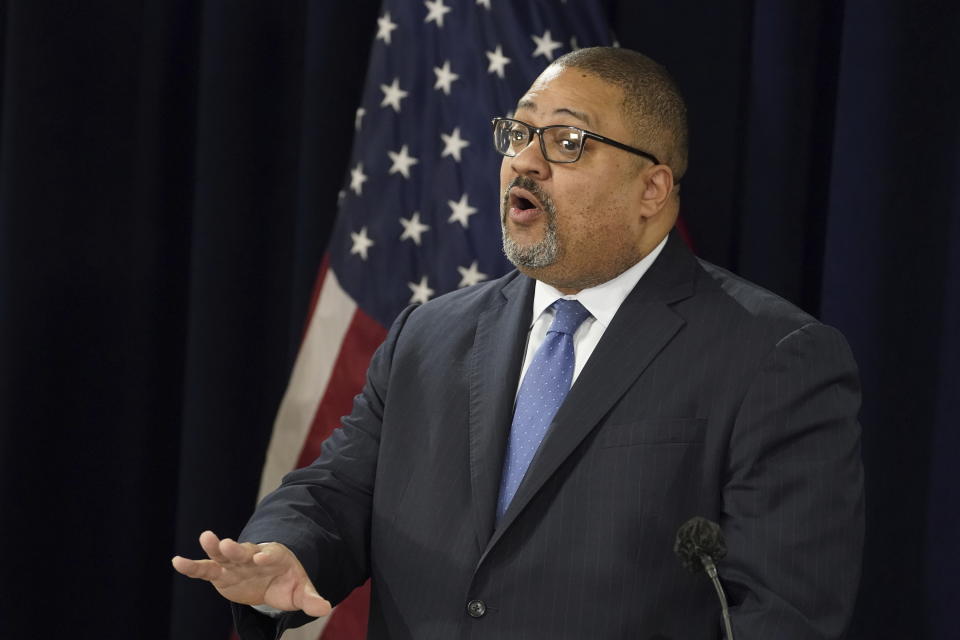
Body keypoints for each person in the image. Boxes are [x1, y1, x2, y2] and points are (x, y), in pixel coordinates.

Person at [173, 47, 864, 639]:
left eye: (567, 142)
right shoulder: (428, 335)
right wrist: (285, 550)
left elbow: (782, 615)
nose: (525, 162)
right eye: (517, 134)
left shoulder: (772, 356)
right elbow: (335, 494)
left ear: (652, 187)